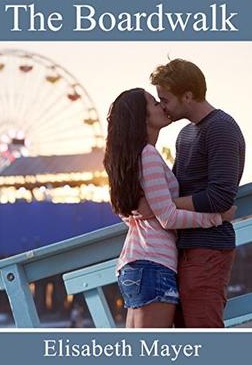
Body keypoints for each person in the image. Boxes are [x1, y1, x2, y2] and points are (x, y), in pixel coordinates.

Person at [103, 88, 235, 328]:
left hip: (134, 265)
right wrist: (217, 218)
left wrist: (156, 206)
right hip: (154, 264)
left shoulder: (130, 159)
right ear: (141, 118)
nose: (162, 107)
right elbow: (168, 218)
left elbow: (129, 211)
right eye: (155, 104)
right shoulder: (148, 154)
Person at [145, 58, 245, 327]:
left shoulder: (221, 128)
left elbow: (221, 197)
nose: (162, 105)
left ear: (187, 95)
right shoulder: (185, 134)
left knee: (203, 331)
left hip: (208, 247)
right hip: (183, 246)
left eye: (164, 99)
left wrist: (162, 205)